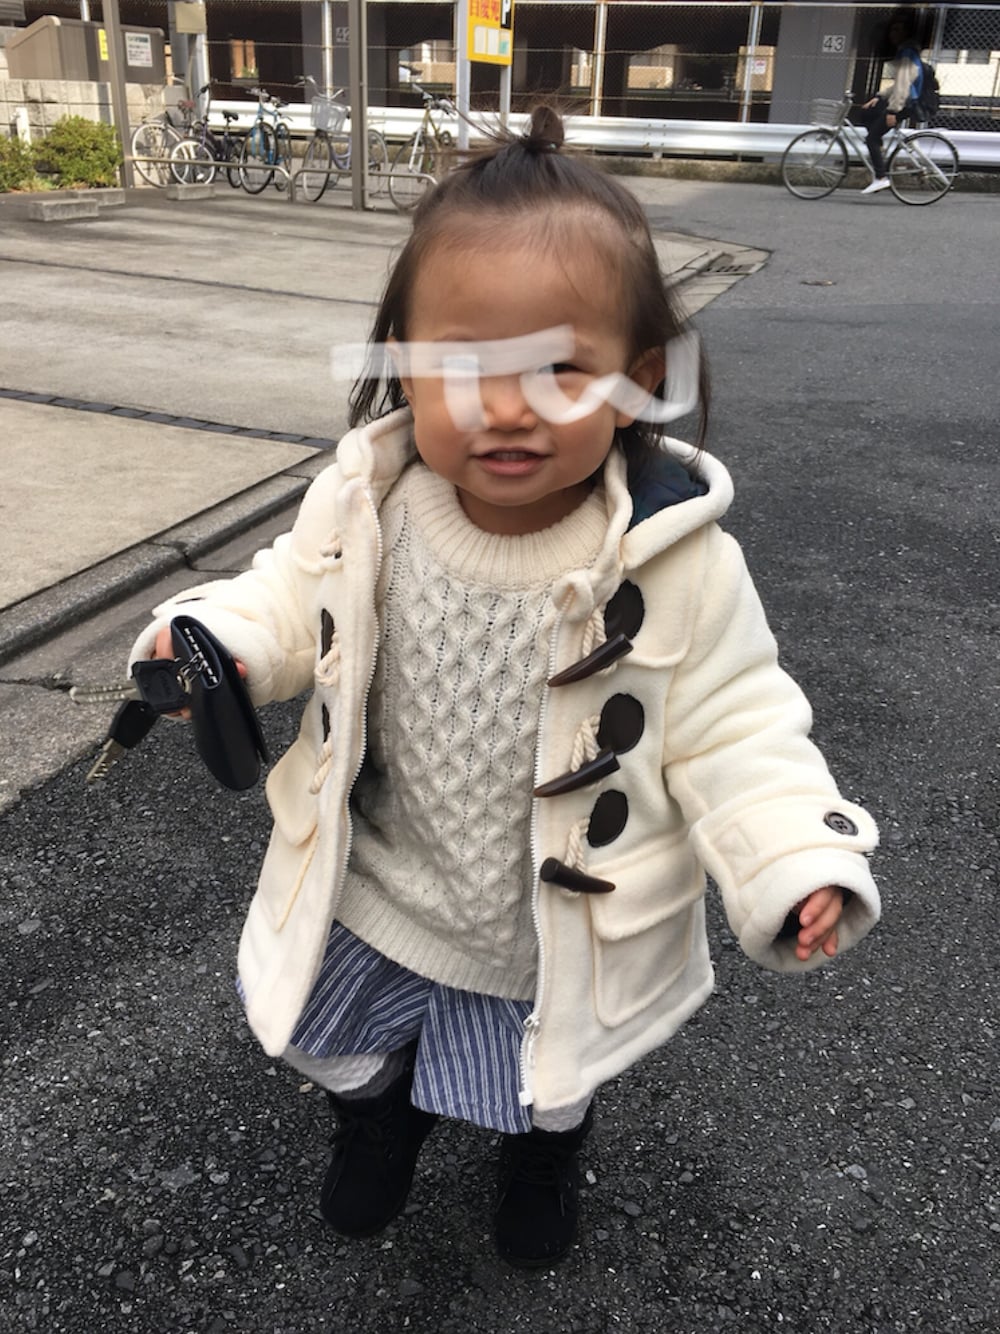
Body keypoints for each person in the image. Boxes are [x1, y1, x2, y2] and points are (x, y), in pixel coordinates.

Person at [131, 106, 881, 1268]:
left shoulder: (676, 563)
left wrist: (790, 856)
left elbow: (740, 727)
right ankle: (377, 1113)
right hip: (380, 885)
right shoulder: (366, 507)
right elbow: (284, 599)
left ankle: (544, 1150)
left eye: (559, 368)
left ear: (637, 380)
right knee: (333, 1032)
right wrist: (211, 640)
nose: (508, 406)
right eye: (461, 366)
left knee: (546, 1077)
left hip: (550, 929)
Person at [859, 10, 925, 194]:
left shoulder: (907, 53)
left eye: (897, 30)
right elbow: (898, 85)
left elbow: (903, 86)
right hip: (904, 100)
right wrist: (879, 97)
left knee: (871, 138)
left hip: (905, 103)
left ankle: (881, 177)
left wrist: (892, 111)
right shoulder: (906, 51)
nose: (892, 34)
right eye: (891, 30)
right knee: (866, 113)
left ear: (906, 33)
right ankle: (879, 151)